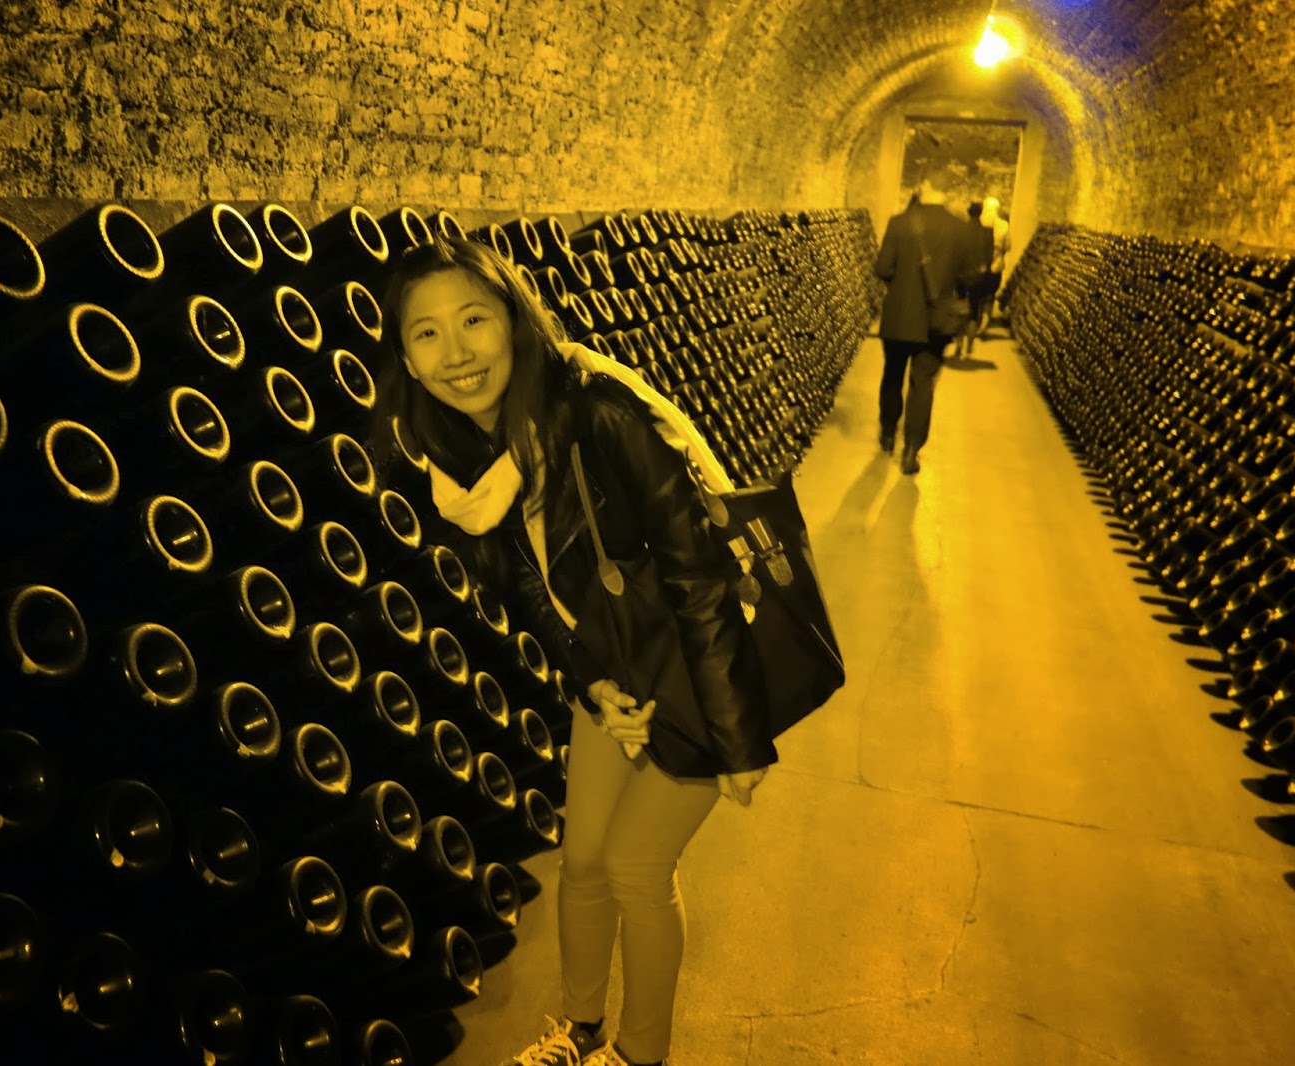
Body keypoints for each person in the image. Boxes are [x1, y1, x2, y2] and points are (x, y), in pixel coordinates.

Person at [371, 236, 776, 1066]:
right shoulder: (467, 463)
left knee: (635, 867)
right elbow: (533, 589)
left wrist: (736, 735)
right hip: (618, 667)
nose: (457, 353)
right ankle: (579, 1032)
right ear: (407, 361)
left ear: (515, 321)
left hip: (700, 667)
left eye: (474, 320)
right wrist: (590, 682)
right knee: (582, 861)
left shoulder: (598, 414)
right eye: (428, 334)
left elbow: (697, 571)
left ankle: (639, 1055)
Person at [874, 166, 982, 474]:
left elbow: (883, 269)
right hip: (936, 321)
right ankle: (911, 450)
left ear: (924, 185)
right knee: (923, 384)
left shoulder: (899, 222)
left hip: (899, 317)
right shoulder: (960, 229)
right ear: (948, 192)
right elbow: (970, 276)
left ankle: (887, 433)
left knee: (893, 375)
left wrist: (901, 285)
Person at [952, 201, 995, 359]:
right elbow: (990, 256)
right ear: (981, 213)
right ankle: (970, 343)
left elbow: (954, 253)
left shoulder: (959, 230)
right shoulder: (987, 233)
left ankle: (959, 344)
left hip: (960, 276)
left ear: (968, 212)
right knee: (973, 311)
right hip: (978, 277)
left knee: (960, 309)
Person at [980, 196, 1011, 330]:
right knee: (989, 295)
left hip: (978, 265)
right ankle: (986, 320)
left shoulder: (978, 222)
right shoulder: (1003, 225)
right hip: (995, 266)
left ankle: (975, 320)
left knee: (976, 293)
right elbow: (1008, 246)